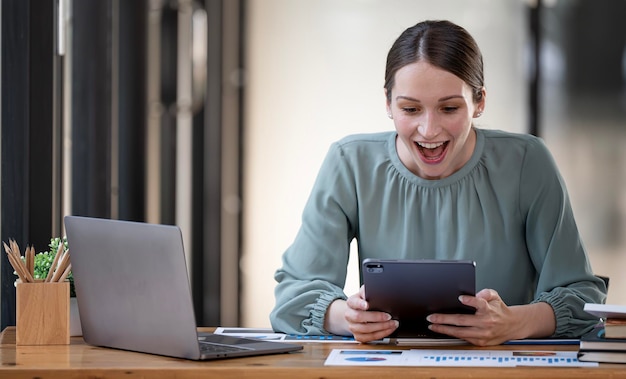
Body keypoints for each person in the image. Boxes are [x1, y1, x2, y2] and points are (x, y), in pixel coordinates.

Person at [269, 20, 607, 346]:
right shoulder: (349, 162)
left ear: (479, 102)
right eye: (411, 109)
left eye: (449, 108)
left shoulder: (527, 162)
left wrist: (512, 323)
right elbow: (293, 297)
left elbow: (583, 301)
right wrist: (347, 317)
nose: (429, 130)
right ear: (388, 103)